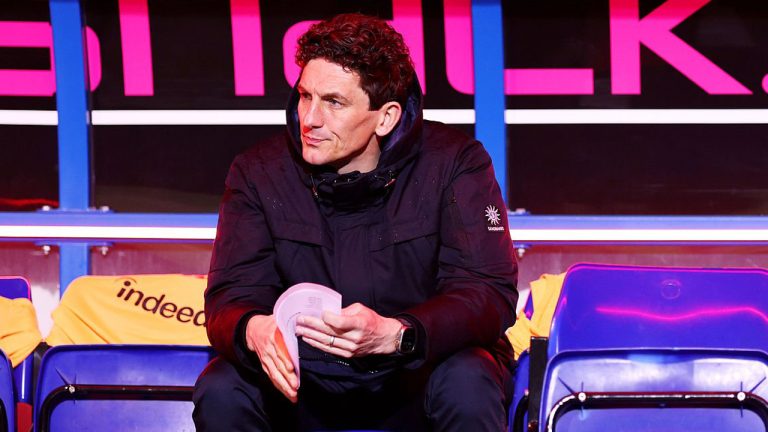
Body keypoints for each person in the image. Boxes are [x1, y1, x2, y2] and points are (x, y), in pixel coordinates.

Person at [193, 12, 518, 432]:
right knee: (222, 387)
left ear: (386, 117)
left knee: (469, 380)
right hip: (303, 381)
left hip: (414, 373)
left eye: (333, 102)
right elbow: (230, 295)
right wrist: (251, 327)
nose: (310, 118)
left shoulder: (455, 163)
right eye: (305, 96)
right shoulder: (258, 172)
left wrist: (398, 333)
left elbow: (488, 293)